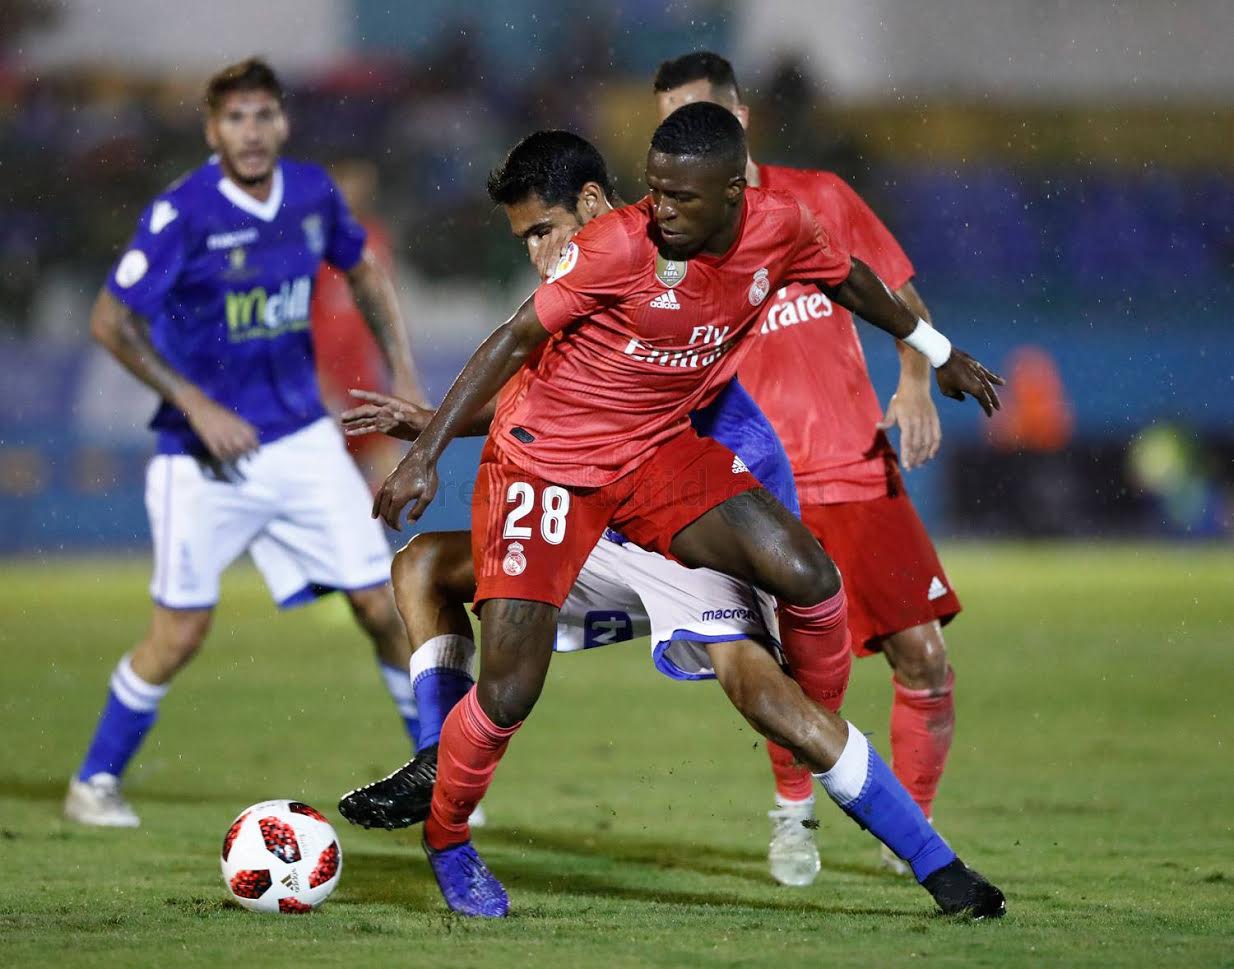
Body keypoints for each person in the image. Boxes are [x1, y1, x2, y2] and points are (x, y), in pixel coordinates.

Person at [371, 107, 1005, 919]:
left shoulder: (779, 229)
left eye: (678, 197)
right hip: (548, 469)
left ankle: (933, 863)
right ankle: (448, 837)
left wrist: (940, 354)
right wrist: (426, 450)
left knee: (809, 571)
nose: (658, 209)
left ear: (734, 191)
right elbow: (513, 336)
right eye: (655, 189)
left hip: (654, 456)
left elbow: (845, 275)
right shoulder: (618, 245)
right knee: (508, 692)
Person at [336, 132, 814, 834]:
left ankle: (808, 810)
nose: (537, 255)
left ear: (593, 204)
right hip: (603, 525)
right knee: (422, 565)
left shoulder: (657, 274)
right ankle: (444, 758)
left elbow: (634, 403)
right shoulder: (586, 292)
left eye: (544, 232)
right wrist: (434, 424)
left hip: (685, 530)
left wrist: (430, 441)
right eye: (525, 239)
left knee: (762, 686)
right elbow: (549, 406)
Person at [64, 58, 425, 828]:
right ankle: (94, 779)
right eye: (235, 119)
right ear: (211, 130)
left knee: (383, 605)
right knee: (180, 632)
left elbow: (363, 272)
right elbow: (109, 320)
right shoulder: (182, 214)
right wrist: (194, 402)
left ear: (283, 123)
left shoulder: (311, 195)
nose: (251, 132)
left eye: (264, 116)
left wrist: (404, 370)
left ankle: (437, 778)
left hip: (301, 442)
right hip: (203, 457)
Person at [650, 51, 969, 880]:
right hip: (760, 486)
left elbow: (895, 295)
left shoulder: (819, 199)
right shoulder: (673, 237)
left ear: (740, 117)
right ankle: (792, 821)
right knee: (791, 679)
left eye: (698, 117)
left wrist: (915, 383)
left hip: (858, 469)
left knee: (925, 659)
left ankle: (914, 830)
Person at [310, 158, 422, 487]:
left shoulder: (375, 238)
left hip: (364, 380)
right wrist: (315, 376)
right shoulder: (311, 243)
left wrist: (402, 370)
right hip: (323, 384)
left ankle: (370, 536)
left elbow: (388, 307)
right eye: (347, 183)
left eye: (361, 185)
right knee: (323, 488)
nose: (354, 192)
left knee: (392, 485)